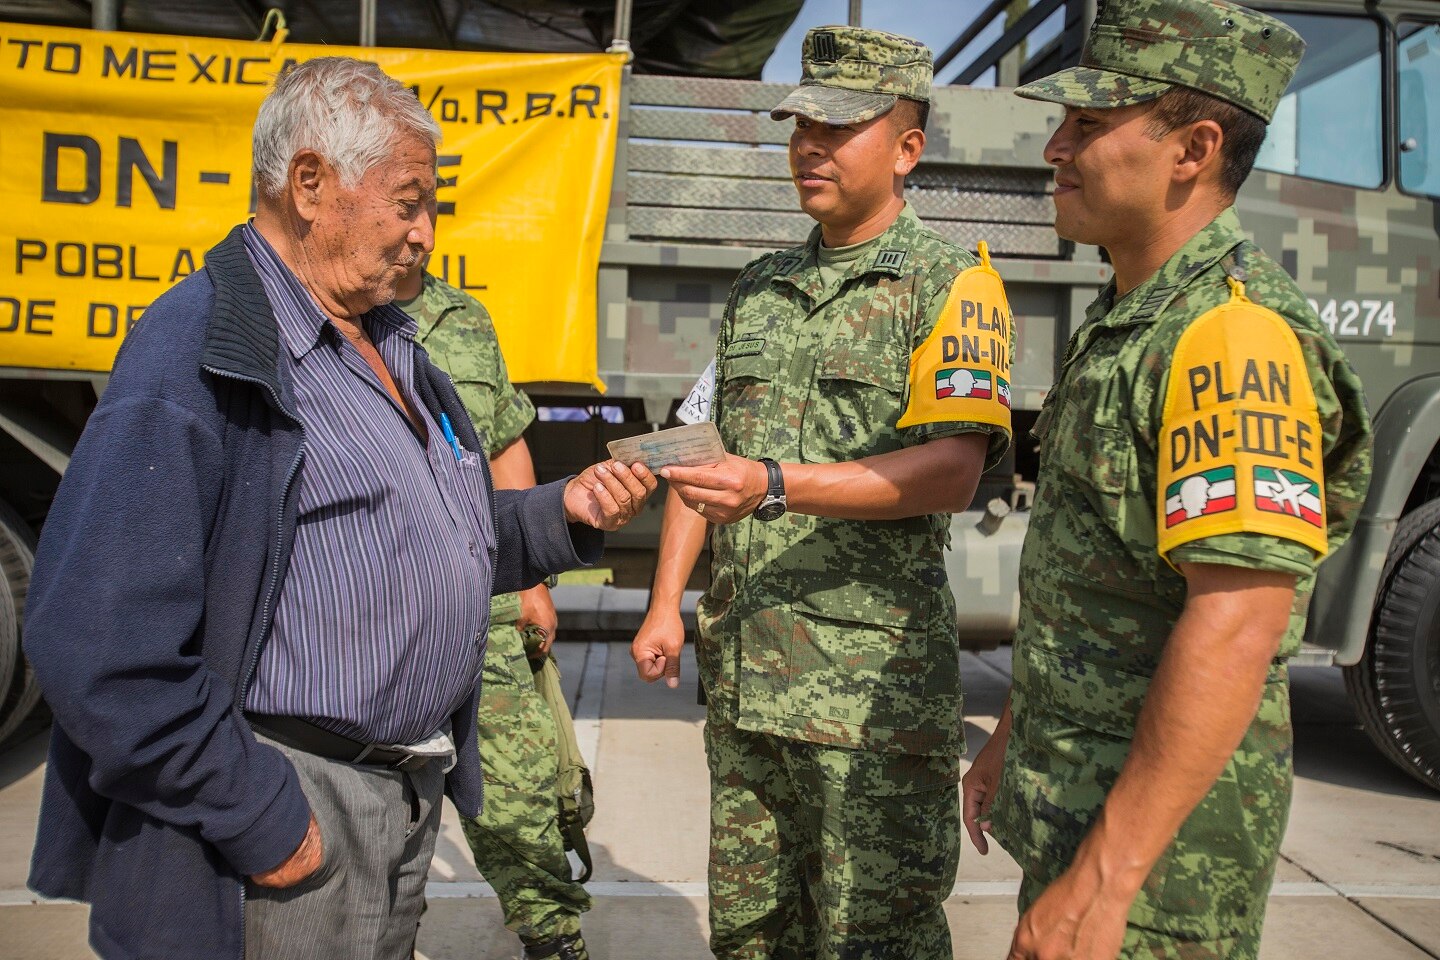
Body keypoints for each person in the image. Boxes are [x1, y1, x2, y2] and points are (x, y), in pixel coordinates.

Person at [23, 57, 655, 960]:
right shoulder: (199, 351)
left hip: (399, 798)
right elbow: (95, 639)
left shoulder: (393, 343)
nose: (426, 236)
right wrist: (258, 814)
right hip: (288, 807)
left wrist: (566, 515)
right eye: (408, 204)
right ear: (310, 184)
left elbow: (443, 531)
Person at [959, 2, 1373, 958]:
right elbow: (1097, 581)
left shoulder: (1230, 338)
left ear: (1194, 148)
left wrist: (1104, 885)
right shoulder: (1132, 316)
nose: (1056, 147)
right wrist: (1014, 732)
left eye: (1090, 126)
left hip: (1158, 873)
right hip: (1083, 815)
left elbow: (1237, 622)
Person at [630, 26, 1013, 959]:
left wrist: (769, 484)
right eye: (801, 124)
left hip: (866, 707)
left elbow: (954, 470)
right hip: (748, 686)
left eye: (840, 127)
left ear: (908, 148)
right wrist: (665, 605)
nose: (809, 145)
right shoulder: (763, 285)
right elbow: (696, 446)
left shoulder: (953, 285)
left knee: (869, 940)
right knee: (753, 938)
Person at [396, 264, 591, 960]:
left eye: (427, 207)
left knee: (523, 796)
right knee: (383, 814)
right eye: (402, 204)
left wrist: (533, 576)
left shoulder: (464, 318)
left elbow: (505, 439)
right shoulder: (316, 312)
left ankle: (554, 938)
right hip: (383, 612)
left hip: (487, 598)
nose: (418, 230)